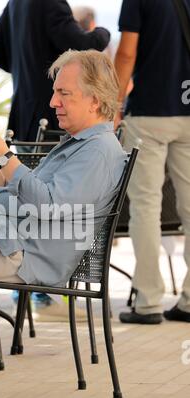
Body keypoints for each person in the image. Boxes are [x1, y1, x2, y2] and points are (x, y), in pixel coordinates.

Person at [0, 50, 125, 322]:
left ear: (94, 100)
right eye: (54, 92)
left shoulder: (97, 152)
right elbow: (17, 203)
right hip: (9, 239)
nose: (53, 101)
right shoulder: (78, 145)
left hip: (24, 254)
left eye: (64, 93)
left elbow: (47, 206)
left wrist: (5, 156)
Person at [114, 0, 190, 324]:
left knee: (146, 206)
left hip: (148, 112)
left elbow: (127, 53)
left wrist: (114, 103)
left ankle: (148, 302)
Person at [0, 0, 110, 142]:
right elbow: (83, 44)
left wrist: (27, 72)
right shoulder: (52, 3)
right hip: (50, 118)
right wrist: (103, 32)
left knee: (26, 163)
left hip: (22, 117)